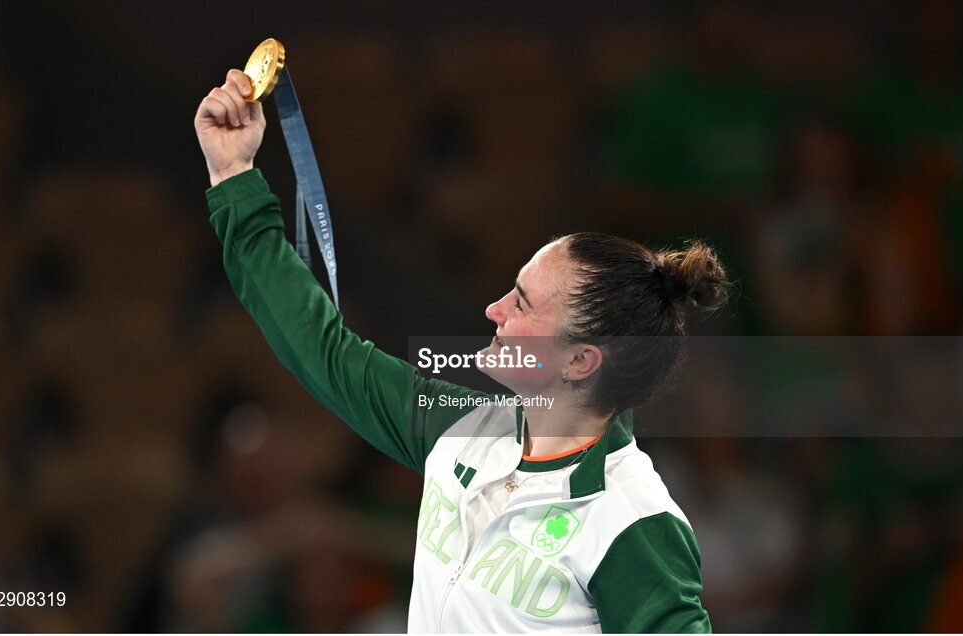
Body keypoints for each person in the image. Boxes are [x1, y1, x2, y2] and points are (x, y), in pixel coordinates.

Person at [194, 68, 725, 633]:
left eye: (521, 303)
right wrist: (234, 175)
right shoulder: (462, 428)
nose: (494, 310)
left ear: (579, 361)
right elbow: (322, 348)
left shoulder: (633, 521)